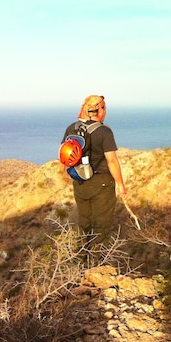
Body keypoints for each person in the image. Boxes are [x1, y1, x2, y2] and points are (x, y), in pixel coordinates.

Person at [62, 95, 127, 249]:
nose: (105, 111)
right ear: (99, 110)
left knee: (84, 223)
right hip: (102, 185)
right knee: (101, 226)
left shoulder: (72, 128)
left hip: (80, 182)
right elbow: (111, 160)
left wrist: (68, 177)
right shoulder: (104, 131)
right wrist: (121, 185)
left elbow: (64, 156)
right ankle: (96, 264)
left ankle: (81, 261)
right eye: (104, 108)